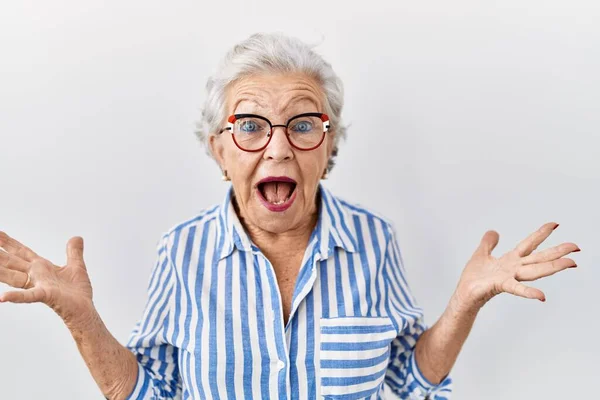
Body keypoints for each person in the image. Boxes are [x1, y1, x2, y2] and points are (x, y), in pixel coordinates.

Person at [0, 32, 580, 400]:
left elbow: (408, 384)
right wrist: (79, 317)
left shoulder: (374, 241)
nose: (278, 148)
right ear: (219, 151)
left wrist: (464, 303)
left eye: (303, 124)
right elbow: (151, 393)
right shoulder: (182, 251)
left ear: (329, 149)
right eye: (250, 125)